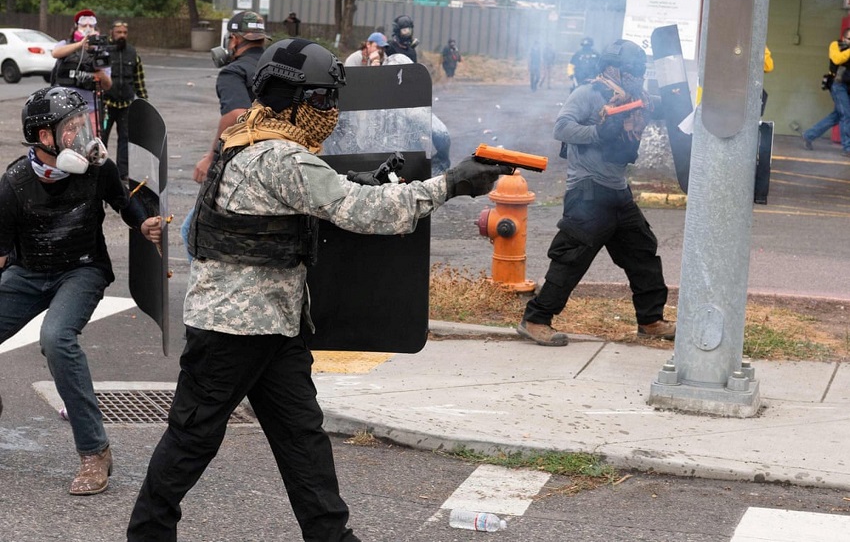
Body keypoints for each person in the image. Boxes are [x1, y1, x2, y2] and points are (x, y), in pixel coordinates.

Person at [126, 38, 509, 541]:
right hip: (233, 329)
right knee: (192, 438)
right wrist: (452, 183)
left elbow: (307, 195)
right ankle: (147, 534)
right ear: (297, 99)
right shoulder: (285, 158)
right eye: (324, 100)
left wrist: (356, 181)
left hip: (273, 323)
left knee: (302, 438)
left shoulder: (244, 136)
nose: (329, 112)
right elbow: (366, 213)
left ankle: (331, 535)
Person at [0, 86, 161, 495]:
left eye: (81, 123)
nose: (82, 134)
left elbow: (124, 203)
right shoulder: (14, 183)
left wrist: (142, 224)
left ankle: (95, 453)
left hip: (82, 271)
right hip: (29, 272)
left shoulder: (98, 168)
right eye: (70, 127)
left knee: (57, 339)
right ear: (44, 138)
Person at [517, 39, 675, 347]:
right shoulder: (588, 94)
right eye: (631, 71)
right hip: (587, 192)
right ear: (612, 68)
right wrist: (596, 132)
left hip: (617, 192)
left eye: (639, 71)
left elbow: (664, 107)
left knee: (643, 253)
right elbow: (561, 128)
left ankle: (651, 321)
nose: (636, 77)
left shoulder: (637, 98)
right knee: (571, 259)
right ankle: (535, 319)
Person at [182, 11, 269, 257]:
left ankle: (204, 293)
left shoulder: (234, 72)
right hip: (280, 158)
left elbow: (236, 116)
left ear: (233, 39)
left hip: (244, 164)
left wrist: (210, 158)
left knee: (192, 231)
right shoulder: (275, 67)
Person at [51, 9, 113, 134]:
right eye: (84, 25)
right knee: (66, 142)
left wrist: (100, 74)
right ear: (76, 27)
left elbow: (108, 85)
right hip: (66, 106)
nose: (87, 28)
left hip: (90, 109)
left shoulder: (101, 53)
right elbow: (55, 53)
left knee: (90, 145)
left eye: (91, 26)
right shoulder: (65, 44)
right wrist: (80, 44)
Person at [102, 20, 149, 182]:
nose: (122, 35)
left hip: (126, 104)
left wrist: (144, 102)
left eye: (124, 32)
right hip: (106, 104)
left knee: (125, 138)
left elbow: (139, 80)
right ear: (112, 33)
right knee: (101, 138)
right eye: (118, 32)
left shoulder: (132, 53)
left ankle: (123, 173)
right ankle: (101, 170)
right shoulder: (104, 51)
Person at [802, 29, 850, 155]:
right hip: (838, 85)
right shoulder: (835, 45)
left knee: (838, 115)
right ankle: (847, 148)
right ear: (844, 38)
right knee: (846, 115)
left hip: (847, 86)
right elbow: (837, 59)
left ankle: (809, 135)